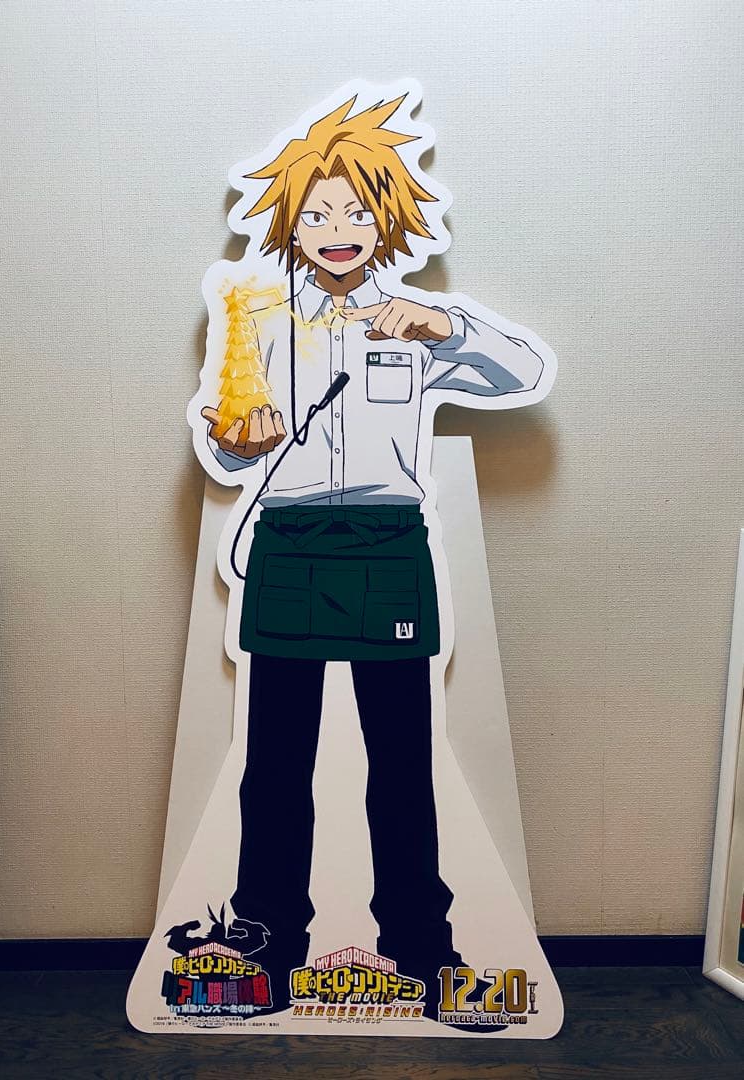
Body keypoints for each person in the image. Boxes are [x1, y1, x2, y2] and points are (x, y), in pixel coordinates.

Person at [198, 95, 551, 1019]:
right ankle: (266, 943)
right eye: (317, 213)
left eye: (357, 210)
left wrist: (447, 328)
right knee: (276, 763)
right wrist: (234, 437)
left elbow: (522, 371)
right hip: (289, 545)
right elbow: (229, 452)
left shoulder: (410, 320)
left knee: (401, 761)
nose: (338, 230)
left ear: (388, 218)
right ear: (288, 223)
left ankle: (424, 952)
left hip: (390, 547)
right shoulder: (258, 319)